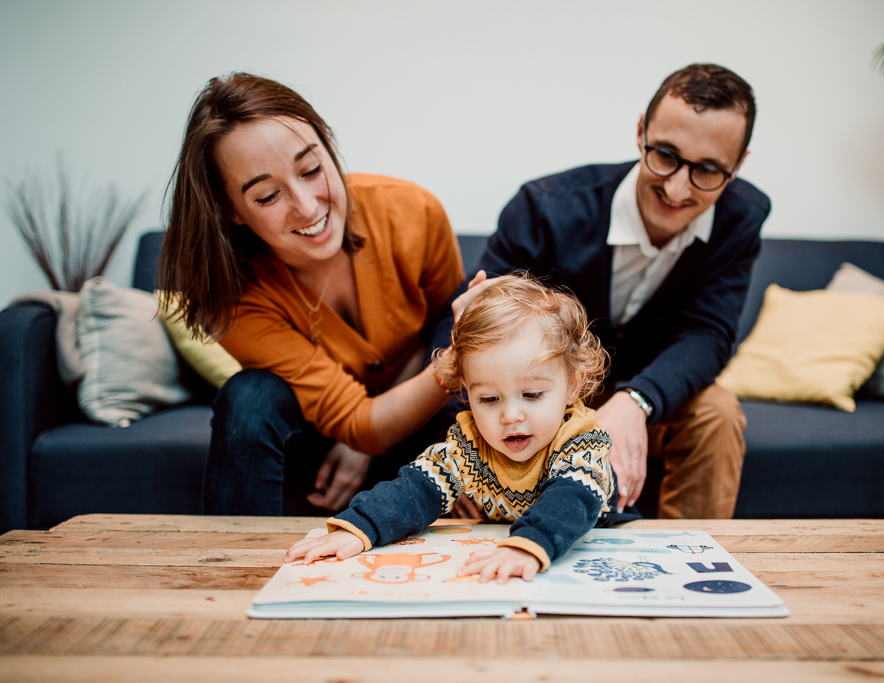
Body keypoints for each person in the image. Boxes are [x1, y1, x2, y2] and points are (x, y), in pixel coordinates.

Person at [433, 63, 770, 519]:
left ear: (739, 164)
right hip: (545, 392)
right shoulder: (544, 207)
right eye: (665, 155)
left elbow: (708, 335)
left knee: (718, 412)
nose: (676, 188)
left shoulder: (743, 218)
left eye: (708, 170)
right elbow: (476, 337)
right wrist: (466, 446)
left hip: (651, 395)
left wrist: (637, 401)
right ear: (640, 131)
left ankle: (688, 567)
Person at [160, 73, 487, 516]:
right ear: (232, 212)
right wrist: (365, 432)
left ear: (329, 151)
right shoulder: (233, 296)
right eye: (268, 195)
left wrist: (393, 442)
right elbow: (355, 419)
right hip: (320, 441)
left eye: (311, 169)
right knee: (250, 395)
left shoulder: (413, 210)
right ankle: (235, 567)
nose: (308, 206)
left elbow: (438, 328)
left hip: (425, 414)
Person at [285, 275, 625, 584]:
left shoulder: (582, 442)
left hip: (596, 540)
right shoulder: (469, 444)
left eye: (532, 395)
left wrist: (525, 546)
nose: (509, 415)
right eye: (489, 398)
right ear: (465, 390)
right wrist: (361, 528)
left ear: (574, 384)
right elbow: (416, 488)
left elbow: (570, 501)